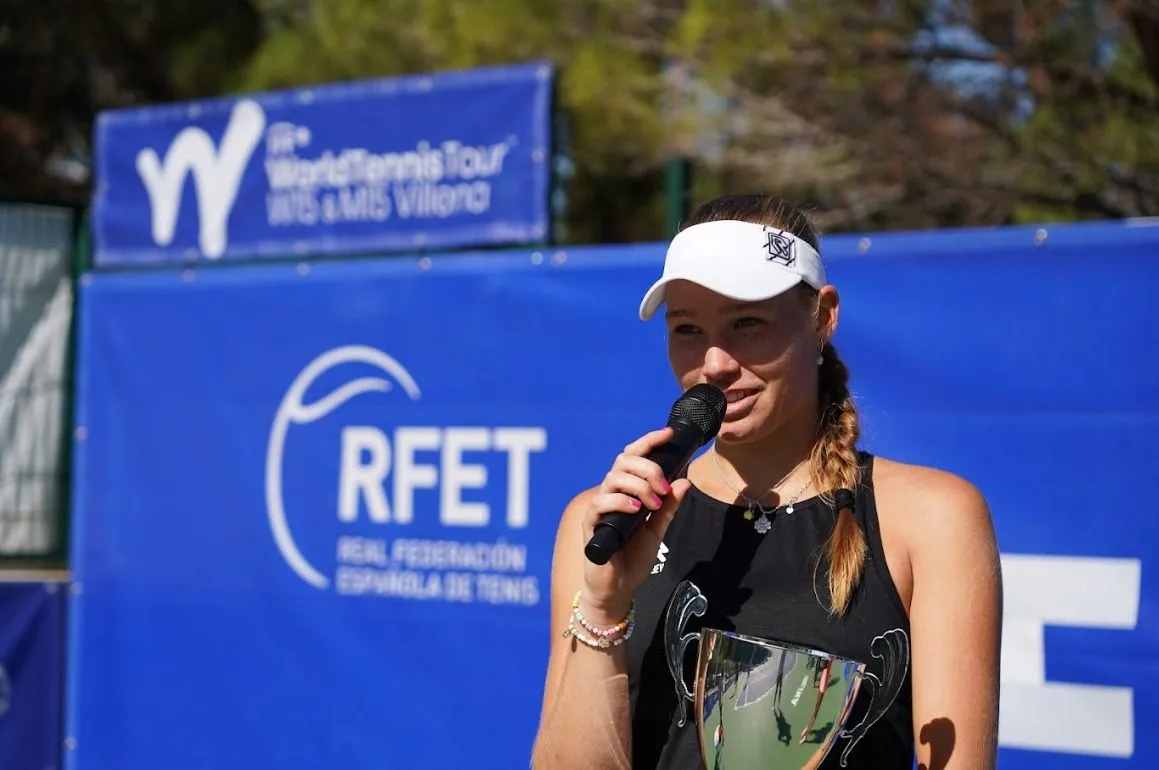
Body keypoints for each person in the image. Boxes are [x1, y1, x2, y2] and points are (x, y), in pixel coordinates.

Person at [530, 193, 1002, 770]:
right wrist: (603, 610)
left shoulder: (932, 517)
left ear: (822, 317)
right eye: (687, 329)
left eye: (747, 323)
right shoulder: (601, 524)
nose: (715, 363)